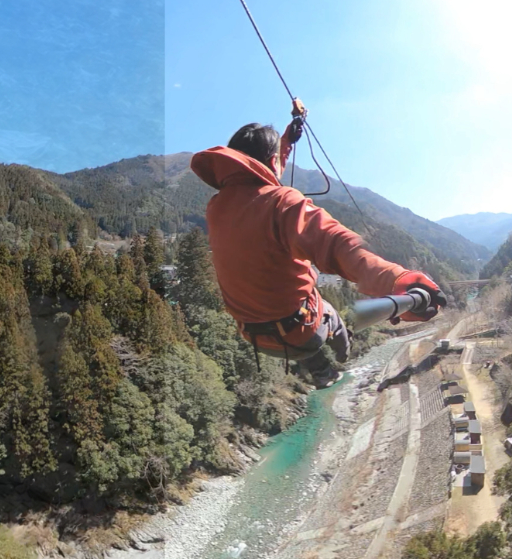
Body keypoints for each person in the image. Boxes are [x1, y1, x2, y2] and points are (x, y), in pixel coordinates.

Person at [189, 101, 446, 387]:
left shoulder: (216, 207)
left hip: (252, 333)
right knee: (328, 313)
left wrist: (287, 140)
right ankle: (343, 355)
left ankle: (321, 369)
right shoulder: (283, 202)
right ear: (272, 161)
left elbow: (257, 176)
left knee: (297, 321)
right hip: (299, 328)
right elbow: (339, 246)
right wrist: (396, 279)